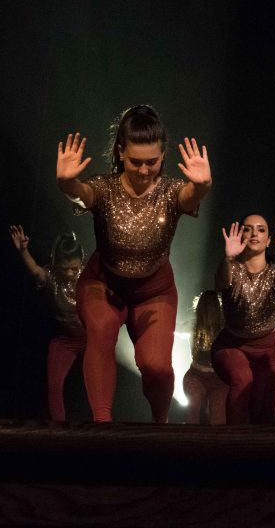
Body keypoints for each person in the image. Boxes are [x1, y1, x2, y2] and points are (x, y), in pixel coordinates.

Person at [56, 105, 211, 422]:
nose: (143, 170)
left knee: (156, 366)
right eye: (135, 162)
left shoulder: (169, 191)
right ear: (120, 152)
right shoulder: (104, 188)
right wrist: (67, 184)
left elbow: (189, 198)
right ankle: (103, 427)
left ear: (163, 155)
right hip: (103, 284)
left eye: (152, 162)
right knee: (100, 330)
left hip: (154, 292)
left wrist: (201, 187)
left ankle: (160, 425)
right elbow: (82, 195)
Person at [213, 217, 275, 424]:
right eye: (248, 229)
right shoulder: (232, 269)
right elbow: (220, 282)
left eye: (261, 230)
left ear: (268, 240)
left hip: (267, 351)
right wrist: (227, 259)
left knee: (267, 414)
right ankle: (236, 444)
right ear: (241, 235)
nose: (254, 233)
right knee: (242, 380)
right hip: (231, 346)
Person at [8, 226, 86, 422]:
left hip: (90, 339)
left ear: (81, 263)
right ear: (56, 263)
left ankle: (104, 426)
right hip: (65, 340)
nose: (69, 273)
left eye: (74, 268)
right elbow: (35, 271)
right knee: (54, 385)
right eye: (64, 268)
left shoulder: (86, 275)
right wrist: (23, 250)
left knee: (98, 381)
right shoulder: (51, 276)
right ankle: (58, 430)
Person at [182, 290, 228, 425]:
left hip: (217, 379)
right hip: (196, 378)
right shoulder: (192, 325)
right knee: (196, 417)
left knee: (216, 421)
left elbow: (172, 330)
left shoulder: (224, 328)